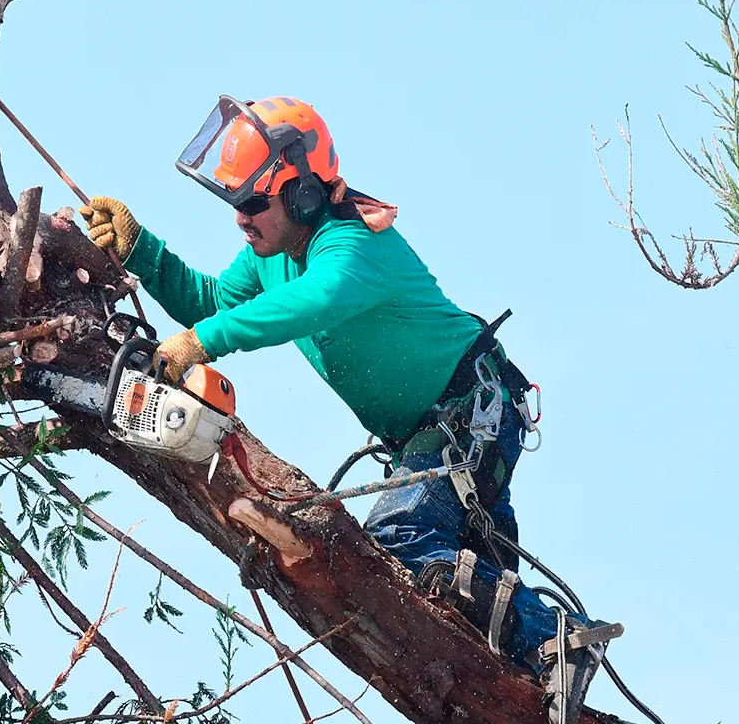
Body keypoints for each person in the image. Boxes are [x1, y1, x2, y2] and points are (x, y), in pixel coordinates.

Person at [79, 95, 619, 723]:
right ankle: (538, 676)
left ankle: (559, 638)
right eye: (234, 205)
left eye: (252, 203)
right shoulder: (270, 255)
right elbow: (213, 302)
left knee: (400, 541)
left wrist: (204, 344)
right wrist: (142, 250)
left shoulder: (355, 245)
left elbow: (318, 300)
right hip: (435, 433)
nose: (240, 221)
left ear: (301, 193)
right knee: (465, 615)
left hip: (468, 409)